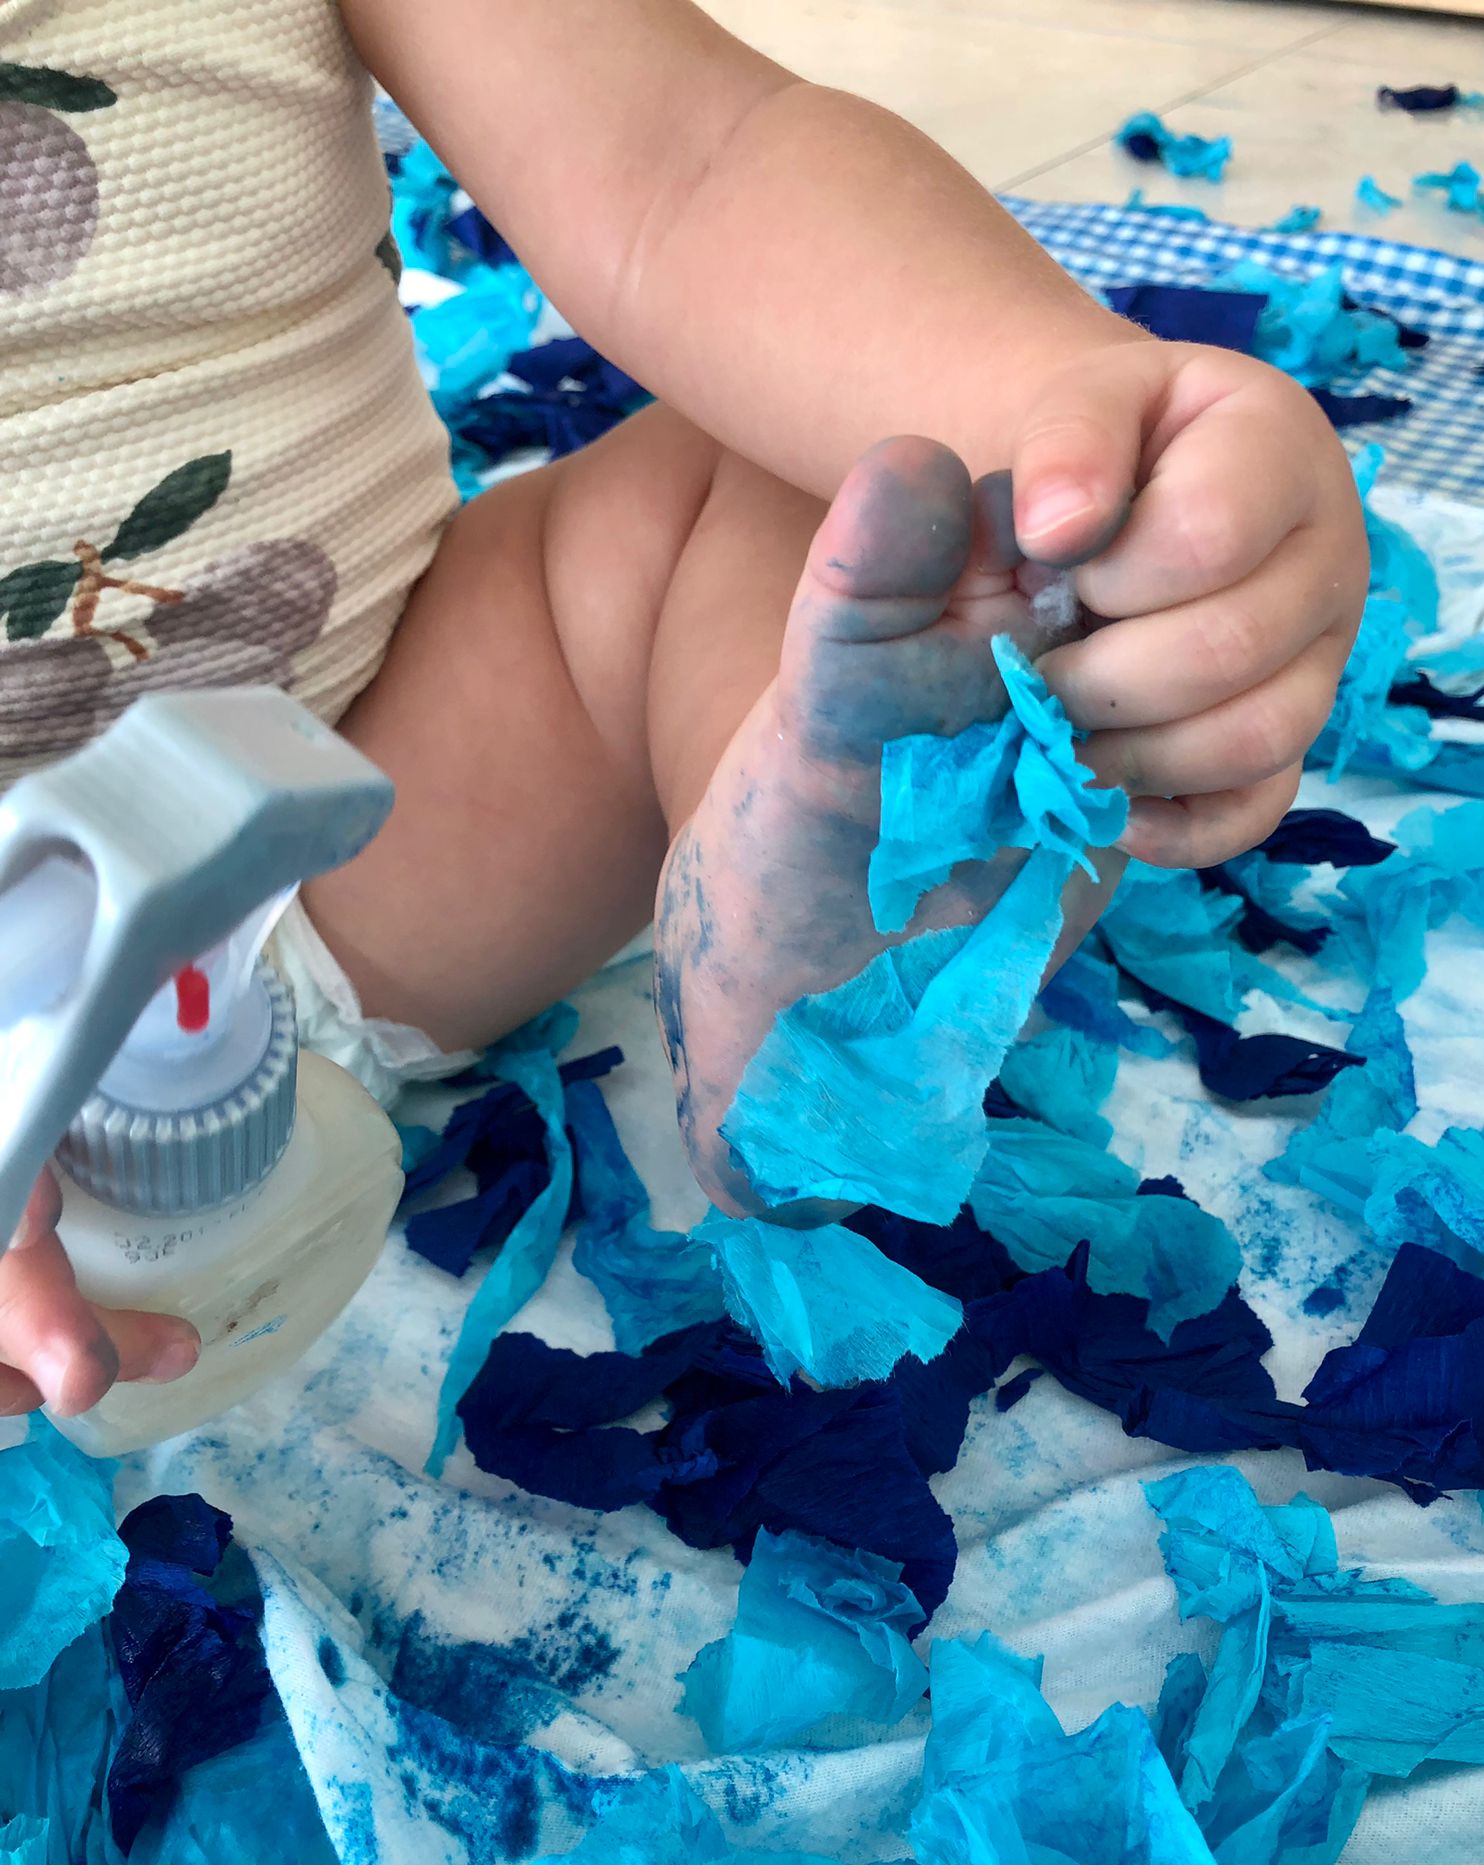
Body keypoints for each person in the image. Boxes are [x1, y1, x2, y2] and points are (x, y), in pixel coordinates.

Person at [0, 0, 1369, 1420]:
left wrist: (1072, 415)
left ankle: (825, 968)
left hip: (375, 807)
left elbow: (686, 163)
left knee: (835, 489)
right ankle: (865, 952)